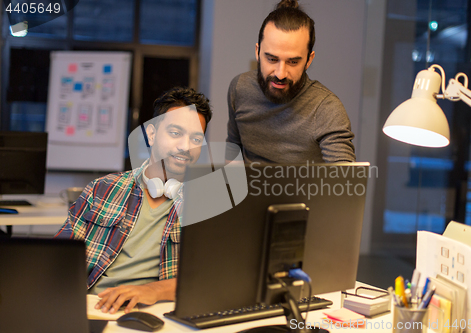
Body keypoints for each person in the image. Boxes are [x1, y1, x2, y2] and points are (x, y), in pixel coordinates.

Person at [55, 87, 212, 314]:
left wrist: (153, 290)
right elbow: (57, 260)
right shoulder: (102, 188)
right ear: (151, 134)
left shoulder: (206, 205)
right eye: (176, 133)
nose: (186, 146)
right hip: (88, 307)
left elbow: (213, 276)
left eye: (196, 137)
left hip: (151, 314)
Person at [226, 0, 356, 164]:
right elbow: (233, 149)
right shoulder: (240, 88)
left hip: (304, 191)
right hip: (248, 190)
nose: (280, 74)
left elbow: (344, 180)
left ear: (309, 60)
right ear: (258, 52)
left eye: (293, 62)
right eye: (272, 59)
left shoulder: (326, 108)